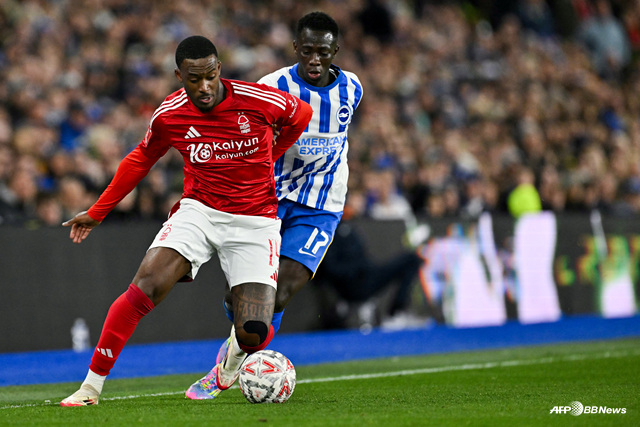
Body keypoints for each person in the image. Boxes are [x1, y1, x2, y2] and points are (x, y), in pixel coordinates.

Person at [58, 35, 313, 406]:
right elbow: (141, 158)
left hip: (255, 221)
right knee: (147, 285)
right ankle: (90, 388)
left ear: (219, 69)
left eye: (210, 76)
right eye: (194, 79)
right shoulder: (170, 114)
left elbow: (300, 115)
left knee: (254, 333)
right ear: (180, 76)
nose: (204, 86)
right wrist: (98, 211)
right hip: (200, 211)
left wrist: (272, 152)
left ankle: (230, 363)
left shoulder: (259, 100)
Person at [186, 11, 363, 399]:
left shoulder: (352, 88)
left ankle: (228, 368)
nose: (314, 59)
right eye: (308, 50)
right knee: (241, 299)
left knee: (280, 291)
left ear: (336, 51)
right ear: (296, 47)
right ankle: (239, 332)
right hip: (269, 199)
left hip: (322, 204)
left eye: (323, 52)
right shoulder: (272, 86)